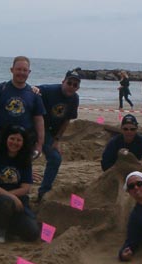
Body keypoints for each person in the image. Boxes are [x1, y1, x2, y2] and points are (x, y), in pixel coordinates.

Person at [0, 125, 39, 243]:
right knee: (5, 202)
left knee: (32, 233)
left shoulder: (25, 159)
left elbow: (26, 188)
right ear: (6, 139)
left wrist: (11, 197)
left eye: (19, 140)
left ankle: (8, 227)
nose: (15, 142)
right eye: (12, 138)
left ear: (23, 143)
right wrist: (11, 197)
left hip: (17, 202)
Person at [0, 56, 45, 155]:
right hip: (1, 138)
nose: (21, 73)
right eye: (18, 69)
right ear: (12, 70)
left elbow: (39, 120)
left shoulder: (34, 94)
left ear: (29, 72)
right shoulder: (0, 89)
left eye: (25, 70)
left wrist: (40, 144)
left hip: (25, 140)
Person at [36, 70, 80, 202]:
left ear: (78, 87)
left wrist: (57, 140)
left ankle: (43, 192)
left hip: (49, 133)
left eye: (75, 85)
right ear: (63, 82)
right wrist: (32, 89)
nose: (71, 87)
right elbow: (31, 90)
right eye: (69, 83)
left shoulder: (74, 99)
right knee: (26, 156)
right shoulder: (49, 90)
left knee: (55, 158)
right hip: (33, 128)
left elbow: (67, 120)